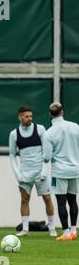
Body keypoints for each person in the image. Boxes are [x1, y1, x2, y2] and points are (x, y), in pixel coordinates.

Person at [9, 106, 56, 237]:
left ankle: (52, 227)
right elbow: (12, 155)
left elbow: (47, 153)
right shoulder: (14, 134)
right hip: (25, 173)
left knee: (47, 198)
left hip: (40, 171)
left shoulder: (40, 129)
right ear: (20, 117)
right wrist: (18, 175)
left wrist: (44, 171)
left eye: (31, 116)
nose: (29, 118)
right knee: (24, 200)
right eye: (26, 116)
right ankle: (25, 229)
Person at [43, 102, 79, 241]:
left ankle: (65, 233)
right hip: (75, 169)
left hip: (60, 171)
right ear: (62, 112)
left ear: (50, 114)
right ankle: (74, 230)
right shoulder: (75, 127)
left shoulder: (49, 133)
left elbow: (46, 158)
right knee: (73, 200)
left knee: (61, 202)